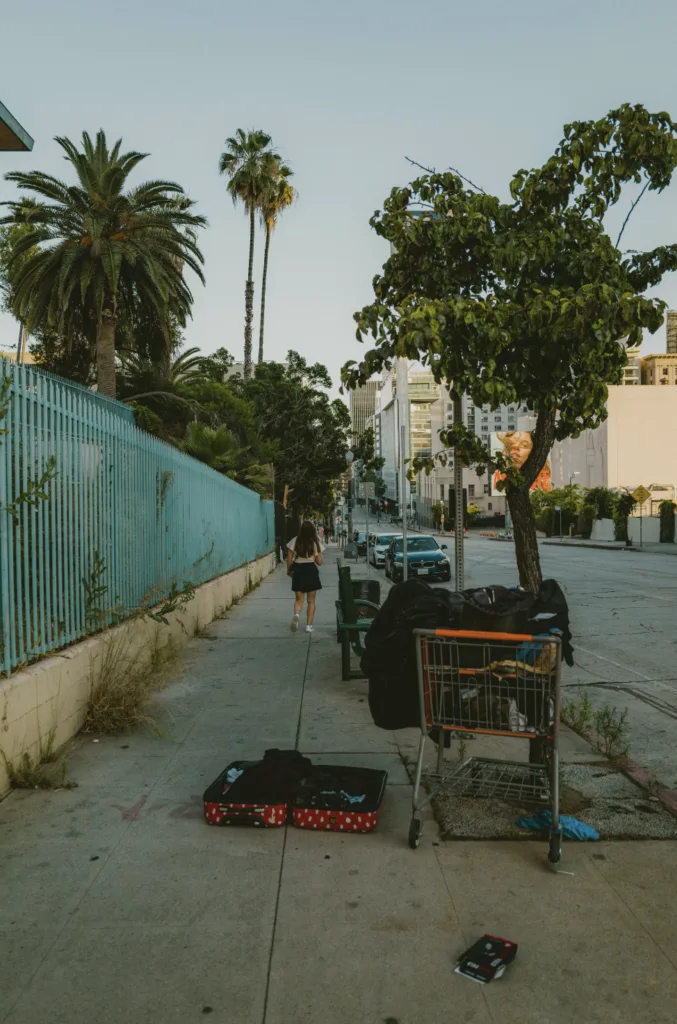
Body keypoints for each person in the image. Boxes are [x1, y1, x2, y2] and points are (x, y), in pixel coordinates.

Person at [286, 521, 324, 634]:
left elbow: (289, 556)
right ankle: (308, 626)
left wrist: (289, 570)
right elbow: (319, 562)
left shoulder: (295, 540)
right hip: (311, 571)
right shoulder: (315, 542)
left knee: (299, 600)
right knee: (311, 601)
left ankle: (297, 615)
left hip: (298, 571)